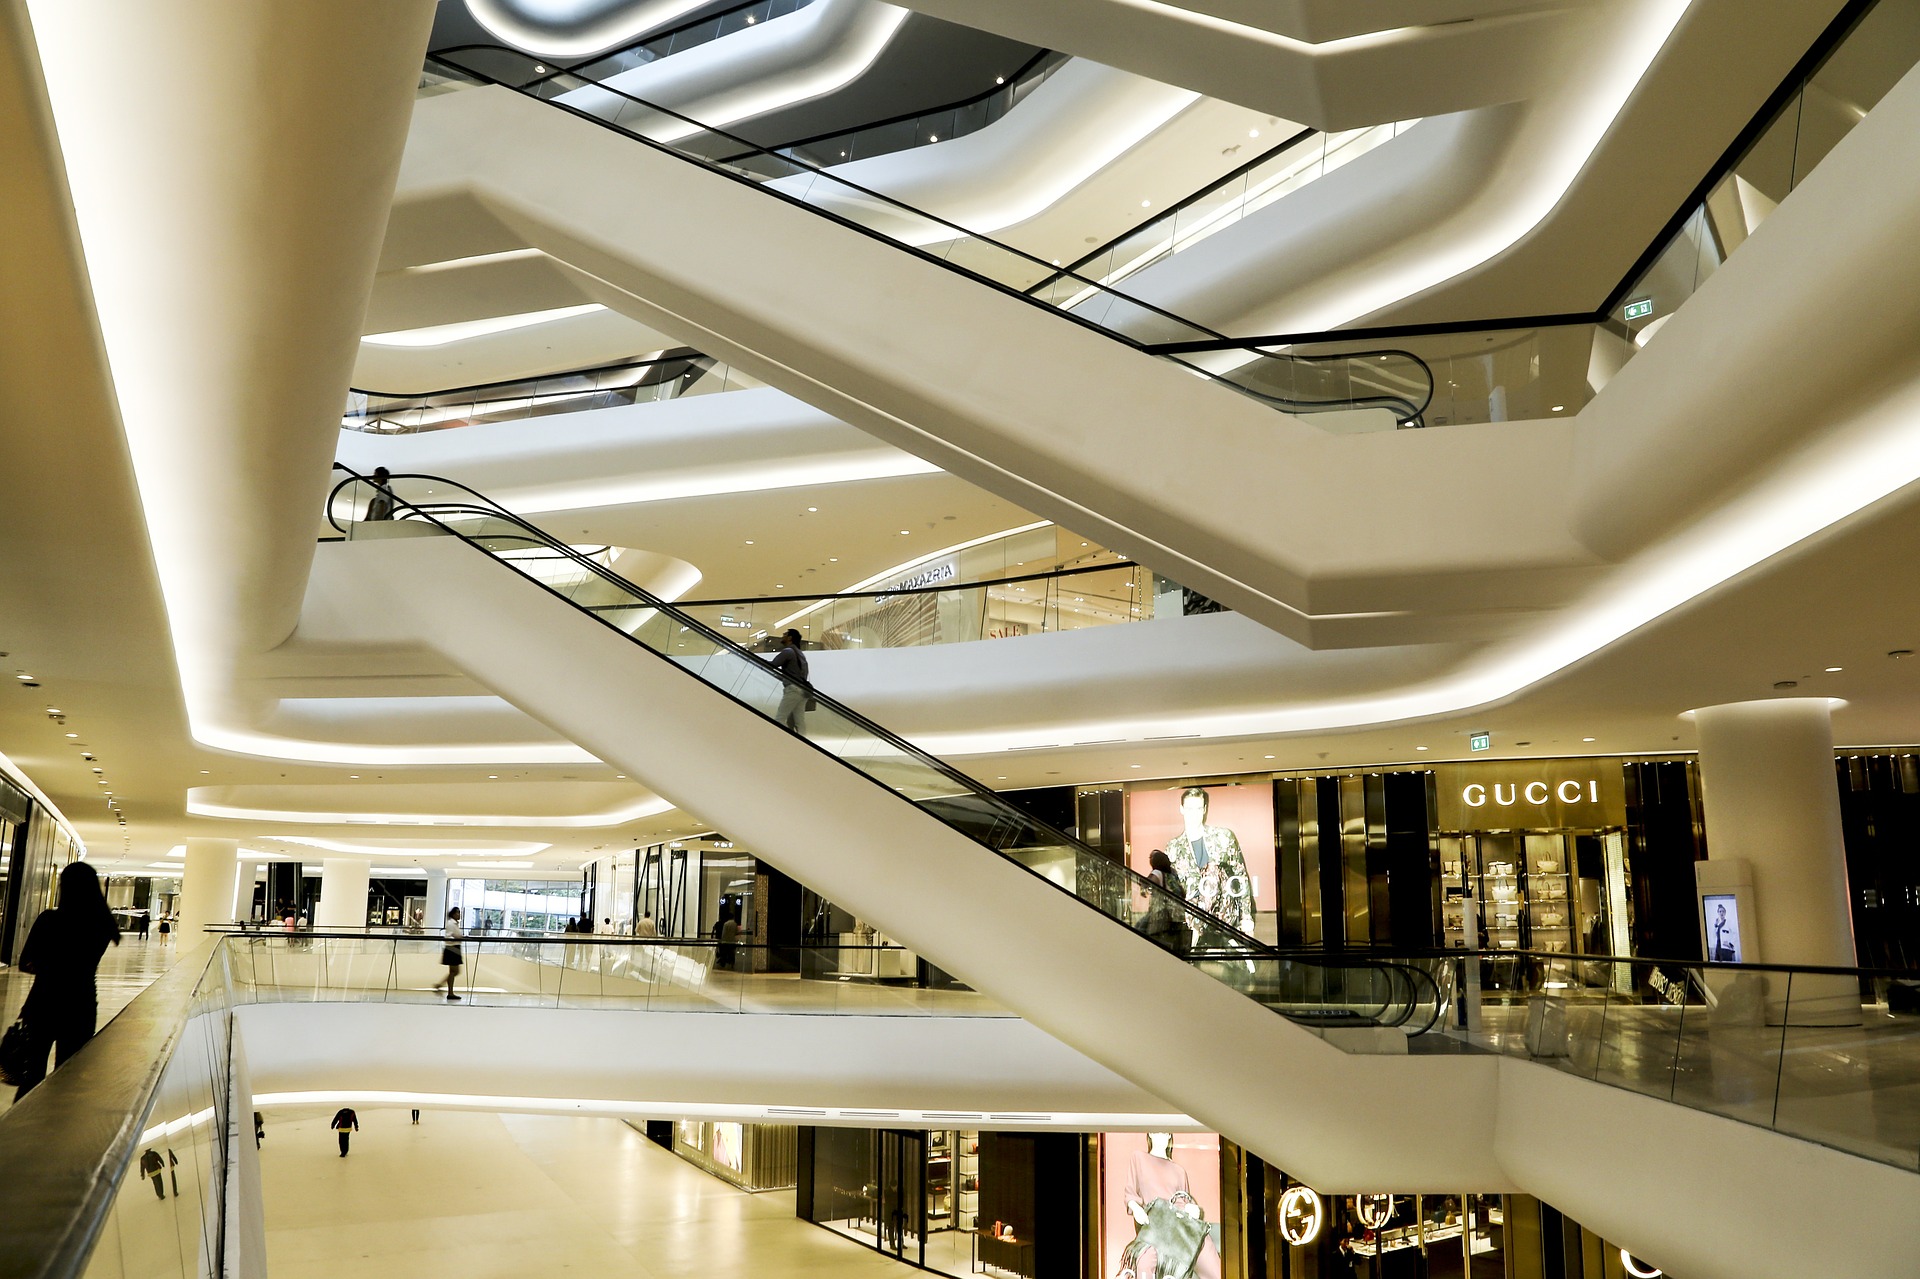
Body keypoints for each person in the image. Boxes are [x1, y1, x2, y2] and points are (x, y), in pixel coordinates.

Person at [11, 861, 121, 1099]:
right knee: (69, 1074)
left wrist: (48, 968)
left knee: (33, 1072)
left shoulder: (49, 919)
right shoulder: (102, 924)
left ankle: (20, 1126)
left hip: (43, 1002)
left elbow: (25, 963)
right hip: (81, 1004)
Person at [1162, 787, 1256, 942]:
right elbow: (1173, 889)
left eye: (1198, 808)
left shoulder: (1223, 838)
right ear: (1182, 809)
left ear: (1205, 809)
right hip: (1192, 923)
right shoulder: (1173, 848)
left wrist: (1246, 916)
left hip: (1225, 919)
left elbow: (1240, 876)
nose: (1194, 814)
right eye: (1190, 808)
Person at [1138, 850, 1187, 953]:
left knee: (1139, 929)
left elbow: (1148, 883)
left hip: (1161, 912)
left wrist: (1141, 883)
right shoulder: (1173, 874)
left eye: (1151, 858)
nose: (1149, 860)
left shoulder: (1157, 873)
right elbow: (1182, 892)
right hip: (1177, 915)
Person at [767, 628, 811, 733]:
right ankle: (802, 743)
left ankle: (782, 740)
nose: (782, 636)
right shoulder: (800, 654)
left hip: (793, 689)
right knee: (799, 721)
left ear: (790, 638)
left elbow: (773, 664)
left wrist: (758, 661)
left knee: (780, 718)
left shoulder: (788, 651)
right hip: (803, 691)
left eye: (785, 634)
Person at [436, 907, 464, 1000]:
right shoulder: (451, 923)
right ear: (453, 914)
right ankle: (441, 986)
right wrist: (457, 937)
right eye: (457, 913)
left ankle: (448, 991)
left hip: (454, 948)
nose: (459, 914)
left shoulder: (454, 923)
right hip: (452, 948)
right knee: (455, 971)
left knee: (453, 971)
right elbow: (449, 936)